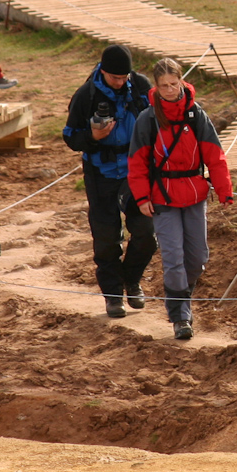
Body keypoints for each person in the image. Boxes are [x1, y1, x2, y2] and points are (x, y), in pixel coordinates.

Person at [127, 59, 233, 340]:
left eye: (174, 84)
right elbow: (136, 163)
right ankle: (180, 317)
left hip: (195, 194)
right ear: (156, 87)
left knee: (197, 259)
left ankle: (182, 297)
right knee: (173, 259)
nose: (170, 90)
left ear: (182, 81)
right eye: (164, 86)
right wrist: (142, 197)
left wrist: (224, 189)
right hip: (162, 197)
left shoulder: (197, 115)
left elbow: (214, 155)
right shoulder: (147, 119)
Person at [64, 45, 157, 318]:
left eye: (123, 77)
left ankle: (132, 280)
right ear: (103, 71)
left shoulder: (141, 87)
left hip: (137, 172)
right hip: (100, 173)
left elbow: (158, 121)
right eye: (114, 77)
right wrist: (93, 137)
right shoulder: (85, 95)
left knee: (147, 234)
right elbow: (70, 136)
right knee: (106, 239)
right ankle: (113, 295)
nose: (120, 82)